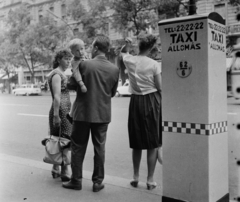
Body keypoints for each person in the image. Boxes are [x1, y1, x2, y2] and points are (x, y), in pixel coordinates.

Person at [62, 35, 119, 192]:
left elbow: (71, 85)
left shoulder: (84, 65)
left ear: (95, 48)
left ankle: (76, 180)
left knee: (78, 147)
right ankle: (97, 182)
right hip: (102, 114)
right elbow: (112, 93)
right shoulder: (115, 69)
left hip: (82, 113)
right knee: (100, 148)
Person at [121, 34, 162, 190]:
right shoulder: (153, 64)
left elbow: (123, 52)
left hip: (136, 102)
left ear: (139, 46)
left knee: (137, 142)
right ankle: (150, 180)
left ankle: (135, 177)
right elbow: (159, 86)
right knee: (152, 142)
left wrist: (127, 45)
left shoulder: (129, 60)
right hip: (151, 100)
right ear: (151, 48)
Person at [47, 49, 73, 182]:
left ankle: (55, 168)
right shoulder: (57, 74)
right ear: (58, 60)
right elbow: (57, 97)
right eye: (66, 59)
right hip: (61, 111)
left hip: (62, 110)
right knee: (65, 140)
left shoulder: (61, 73)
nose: (69, 61)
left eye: (70, 59)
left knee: (58, 139)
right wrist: (56, 116)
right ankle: (64, 170)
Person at [67, 38, 89, 124]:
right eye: (77, 51)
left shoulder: (85, 55)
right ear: (72, 53)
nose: (80, 52)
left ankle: (71, 115)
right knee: (79, 98)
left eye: (82, 49)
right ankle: (71, 115)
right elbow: (76, 73)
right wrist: (81, 84)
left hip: (85, 80)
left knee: (79, 99)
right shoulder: (75, 61)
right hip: (79, 82)